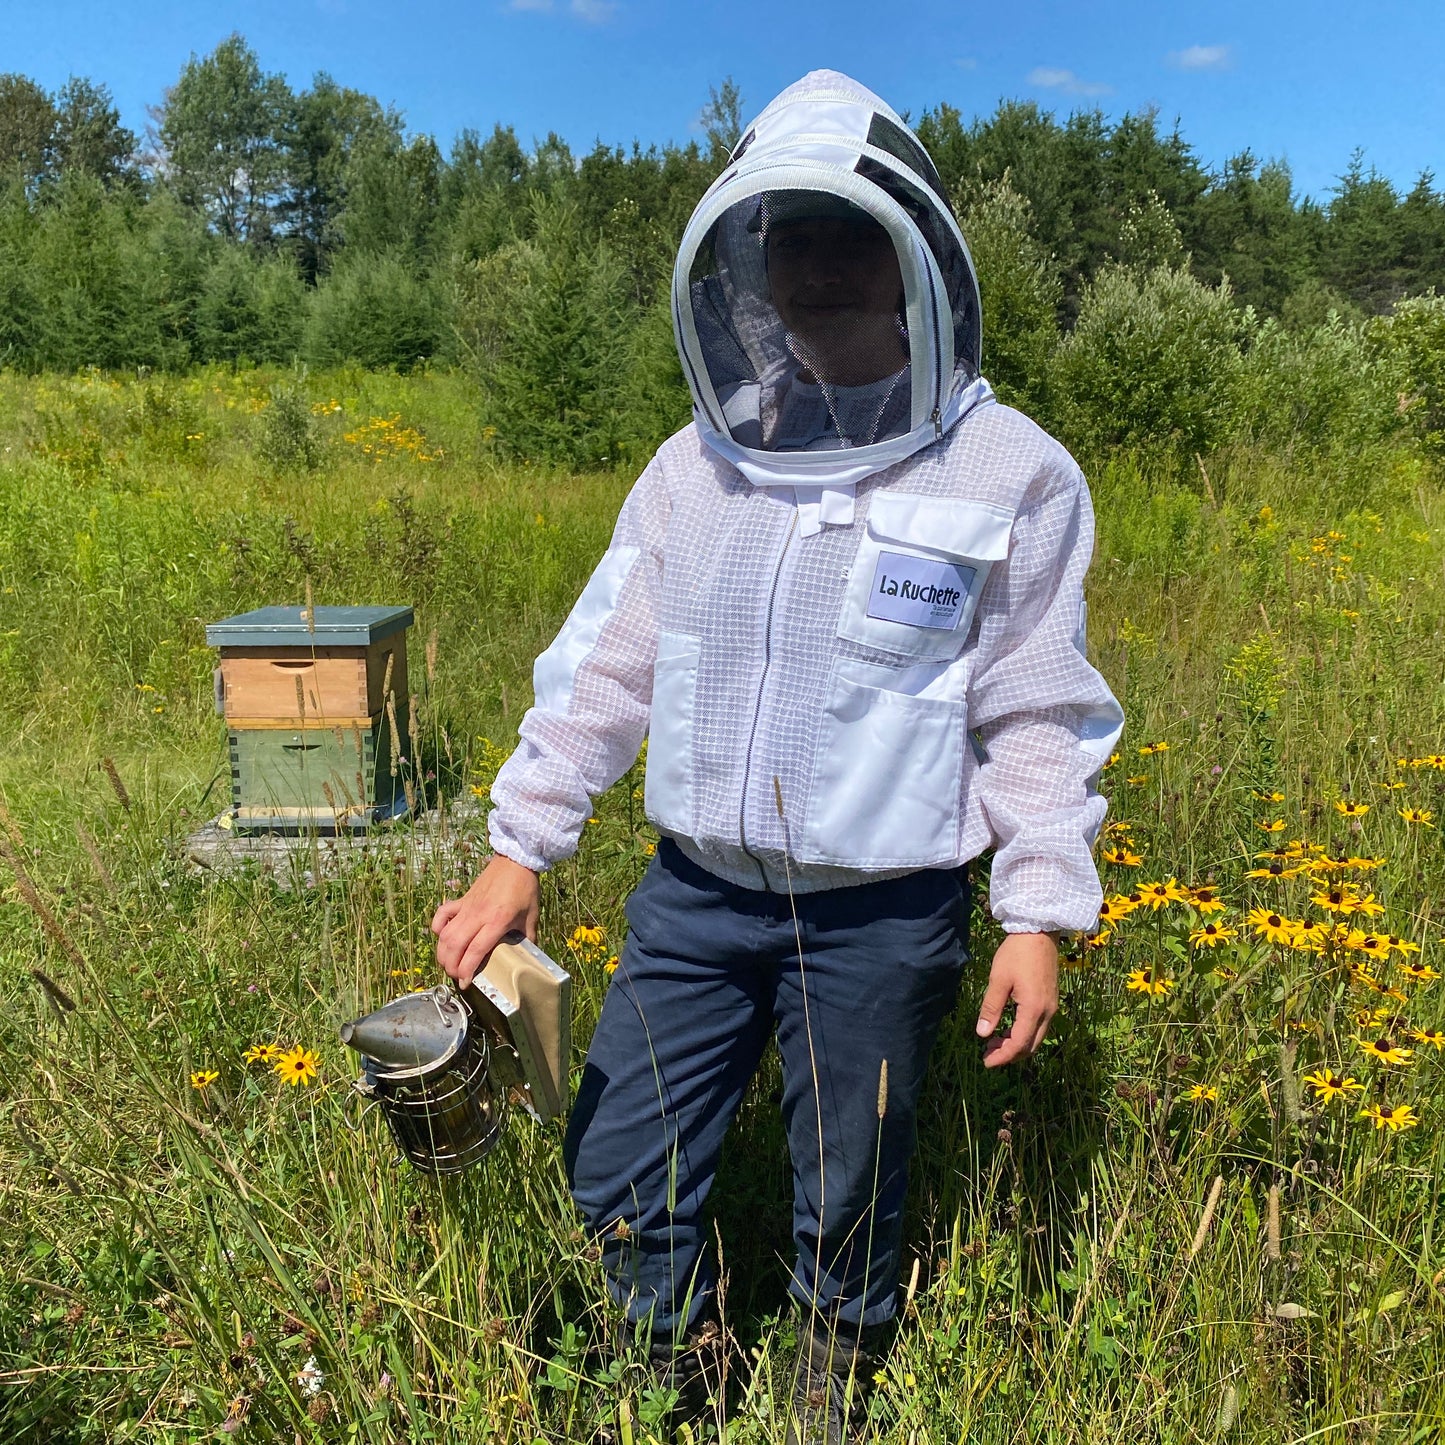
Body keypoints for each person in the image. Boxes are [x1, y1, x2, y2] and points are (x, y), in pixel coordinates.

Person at [432, 70, 1123, 1444]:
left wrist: (1037, 908)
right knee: (620, 1151)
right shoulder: (697, 465)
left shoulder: (1010, 472)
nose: (812, 269)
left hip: (878, 913)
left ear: (911, 261)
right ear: (743, 270)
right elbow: (609, 667)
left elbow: (1033, 706)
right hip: (696, 897)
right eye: (785, 241)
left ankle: (826, 1392)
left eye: (842, 239)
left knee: (849, 1176)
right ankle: (654, 1376)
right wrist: (522, 845)